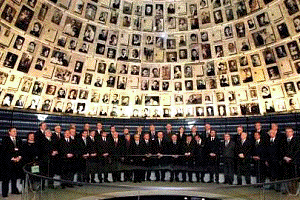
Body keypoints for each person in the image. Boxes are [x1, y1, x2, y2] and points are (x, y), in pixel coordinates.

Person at [2, 127, 23, 197]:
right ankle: (5, 193)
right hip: (8, 162)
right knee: (6, 179)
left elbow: (21, 150)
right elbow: (4, 151)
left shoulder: (19, 140)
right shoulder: (5, 139)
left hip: (17, 163)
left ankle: (14, 190)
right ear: (9, 132)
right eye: (13, 131)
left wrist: (19, 157)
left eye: (16, 131)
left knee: (14, 177)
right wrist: (12, 158)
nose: (15, 132)